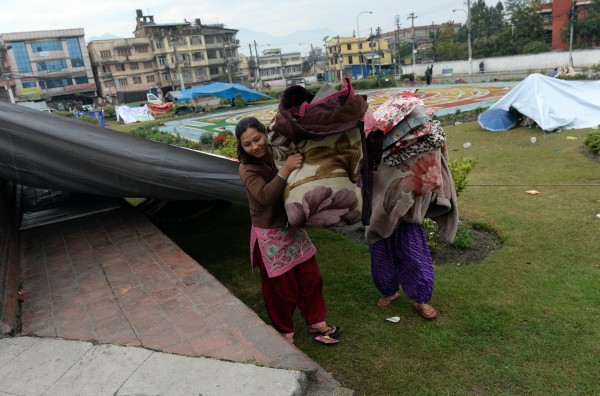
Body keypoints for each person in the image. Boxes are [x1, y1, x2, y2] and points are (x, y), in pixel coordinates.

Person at [235, 116, 342, 344]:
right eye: (247, 144)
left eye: (258, 138)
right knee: (281, 290)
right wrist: (285, 170)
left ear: (265, 133)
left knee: (311, 278)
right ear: (241, 146)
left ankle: (316, 322)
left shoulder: (279, 151)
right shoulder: (247, 169)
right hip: (270, 234)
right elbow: (264, 197)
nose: (255, 146)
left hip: (292, 226)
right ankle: (285, 332)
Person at [370, 222, 438, 319]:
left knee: (414, 256)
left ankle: (421, 299)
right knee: (381, 257)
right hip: (380, 216)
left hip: (407, 215)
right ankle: (390, 292)